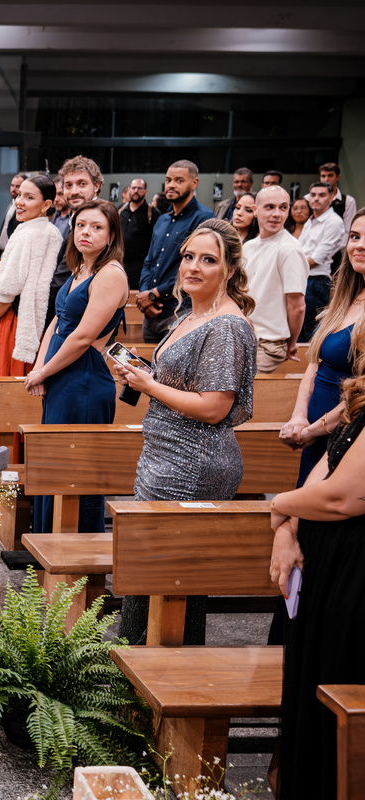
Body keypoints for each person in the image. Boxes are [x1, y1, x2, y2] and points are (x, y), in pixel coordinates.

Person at [114, 219, 257, 646]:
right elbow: (184, 383)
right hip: (166, 453)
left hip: (192, 461)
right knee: (154, 575)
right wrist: (143, 373)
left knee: (166, 577)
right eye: (189, 256)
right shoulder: (193, 313)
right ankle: (143, 665)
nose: (193, 267)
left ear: (230, 270)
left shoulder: (226, 326)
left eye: (208, 260)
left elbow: (214, 407)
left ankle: (157, 664)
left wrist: (149, 385)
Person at [269, 301, 365, 799]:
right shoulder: (359, 397)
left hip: (354, 577)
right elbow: (327, 467)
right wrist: (287, 528)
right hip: (326, 565)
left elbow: (344, 497)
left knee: (333, 692)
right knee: (311, 689)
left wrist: (279, 506)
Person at [26, 200, 128, 533]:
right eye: (81, 225)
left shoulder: (110, 274)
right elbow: (57, 322)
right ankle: (47, 548)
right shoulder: (81, 268)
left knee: (75, 474)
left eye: (97, 227)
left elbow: (83, 337)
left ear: (111, 236)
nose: (86, 232)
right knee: (54, 467)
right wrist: (40, 368)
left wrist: (44, 371)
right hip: (62, 375)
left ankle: (76, 557)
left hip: (84, 379)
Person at [0, 175, 61, 459]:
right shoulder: (50, 231)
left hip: (11, 322)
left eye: (29, 197)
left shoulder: (27, 234)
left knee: (2, 396)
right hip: (30, 322)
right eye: (18, 196)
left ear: (46, 204)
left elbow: (7, 291)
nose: (19, 202)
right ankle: (19, 461)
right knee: (21, 398)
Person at [280, 210, 365, 486]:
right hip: (315, 425)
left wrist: (315, 429)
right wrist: (299, 417)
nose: (359, 245)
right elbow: (315, 363)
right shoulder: (346, 296)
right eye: (355, 236)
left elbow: (363, 392)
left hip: (348, 431)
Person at [138, 160, 215, 343]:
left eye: (179, 180)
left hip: (180, 310)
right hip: (151, 312)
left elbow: (195, 269)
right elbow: (149, 261)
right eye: (168, 180)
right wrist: (144, 294)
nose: (171, 185)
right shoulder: (162, 219)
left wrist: (154, 294)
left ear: (194, 183)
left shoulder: (204, 218)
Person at [244, 186, 307, 374]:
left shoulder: (289, 249)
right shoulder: (248, 247)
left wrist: (291, 342)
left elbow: (297, 306)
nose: (277, 214)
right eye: (270, 207)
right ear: (255, 210)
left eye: (283, 207)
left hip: (269, 344)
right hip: (244, 336)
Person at [46, 156, 104, 334]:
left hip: (85, 324)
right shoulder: (74, 219)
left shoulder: (103, 220)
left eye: (82, 184)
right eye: (68, 185)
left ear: (96, 186)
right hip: (66, 318)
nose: (74, 191)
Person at [298, 182, 345, 342]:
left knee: (311, 334)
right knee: (299, 331)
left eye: (321, 195)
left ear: (331, 198)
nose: (316, 198)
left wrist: (291, 267)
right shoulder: (310, 221)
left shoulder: (333, 221)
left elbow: (317, 258)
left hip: (316, 282)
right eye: (313, 195)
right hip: (302, 278)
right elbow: (299, 250)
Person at [119, 178, 153, 289]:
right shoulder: (120, 210)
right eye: (133, 188)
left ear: (145, 192)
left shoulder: (152, 213)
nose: (136, 191)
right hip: (119, 264)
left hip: (140, 268)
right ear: (129, 190)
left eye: (140, 188)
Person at [319, 161, 357, 239]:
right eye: (323, 176)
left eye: (330, 175)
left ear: (338, 177)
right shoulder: (309, 198)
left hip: (337, 244)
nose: (326, 179)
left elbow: (348, 230)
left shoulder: (348, 201)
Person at [0, 172, 28, 259]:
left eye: (17, 186)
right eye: (12, 185)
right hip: (4, 252)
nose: (13, 189)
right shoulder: (11, 204)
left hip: (15, 253)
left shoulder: (25, 208)